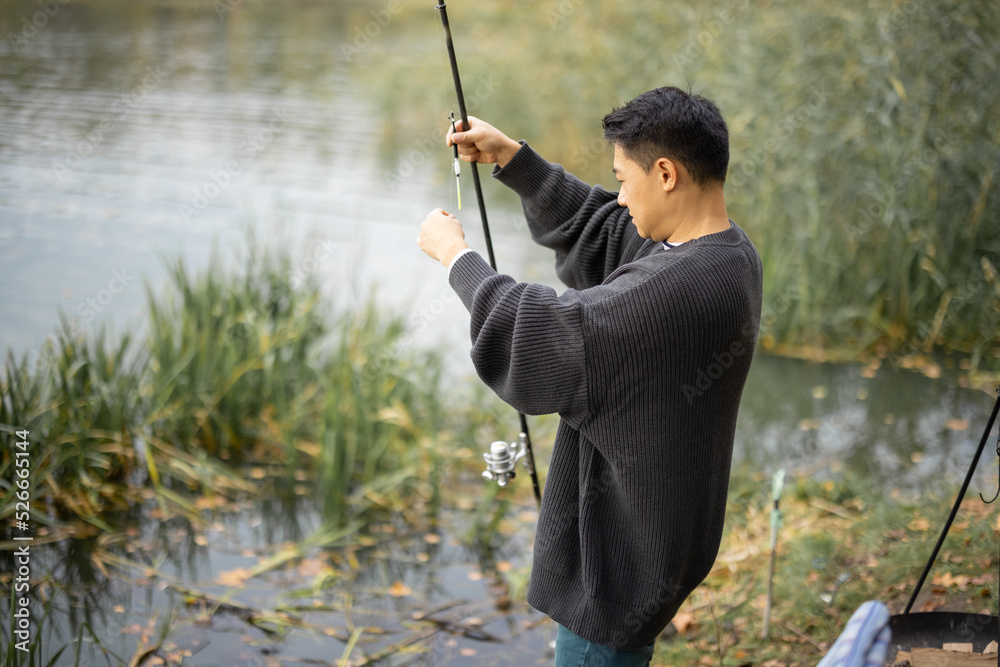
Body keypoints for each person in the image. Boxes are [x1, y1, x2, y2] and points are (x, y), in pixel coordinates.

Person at [417, 86, 763, 666]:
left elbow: (545, 335)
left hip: (615, 575)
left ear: (666, 174)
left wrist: (457, 259)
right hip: (649, 555)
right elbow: (602, 228)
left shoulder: (673, 292)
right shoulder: (726, 253)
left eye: (623, 179)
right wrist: (512, 159)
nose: (621, 197)